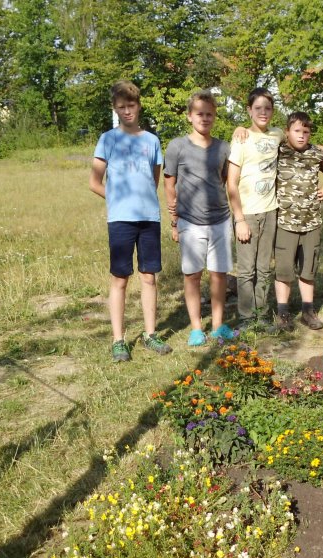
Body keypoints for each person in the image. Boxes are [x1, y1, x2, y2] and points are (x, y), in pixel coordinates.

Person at [89, 80, 173, 361]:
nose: (127, 111)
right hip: (120, 221)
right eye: (121, 107)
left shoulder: (151, 141)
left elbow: (153, 181)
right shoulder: (108, 140)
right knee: (120, 279)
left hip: (149, 218)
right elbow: (94, 182)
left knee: (149, 277)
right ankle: (118, 340)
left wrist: (140, 202)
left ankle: (150, 334)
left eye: (131, 106)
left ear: (139, 106)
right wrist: (117, 202)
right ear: (115, 108)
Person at [164, 90, 235, 346]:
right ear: (189, 116)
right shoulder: (177, 146)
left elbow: (226, 182)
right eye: (199, 114)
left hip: (221, 220)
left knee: (219, 275)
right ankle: (196, 328)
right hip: (190, 223)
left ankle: (218, 325)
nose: (204, 118)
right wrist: (174, 221)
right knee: (192, 275)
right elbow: (169, 185)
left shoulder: (223, 147)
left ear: (214, 116)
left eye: (209, 114)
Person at [272, 112, 323, 331]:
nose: (301, 136)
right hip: (285, 223)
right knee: (283, 271)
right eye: (297, 131)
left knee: (308, 270)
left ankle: (308, 311)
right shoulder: (279, 151)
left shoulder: (315, 154)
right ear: (287, 131)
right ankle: (283, 313)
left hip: (311, 223)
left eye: (306, 132)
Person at [226, 87, 285, 331]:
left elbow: (299, 138)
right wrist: (239, 219)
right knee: (246, 271)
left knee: (264, 269)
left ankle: (262, 315)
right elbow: (231, 182)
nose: (263, 112)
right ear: (249, 110)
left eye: (268, 108)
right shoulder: (241, 138)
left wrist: (322, 149)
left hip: (271, 212)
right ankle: (246, 318)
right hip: (247, 214)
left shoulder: (277, 135)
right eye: (258, 108)